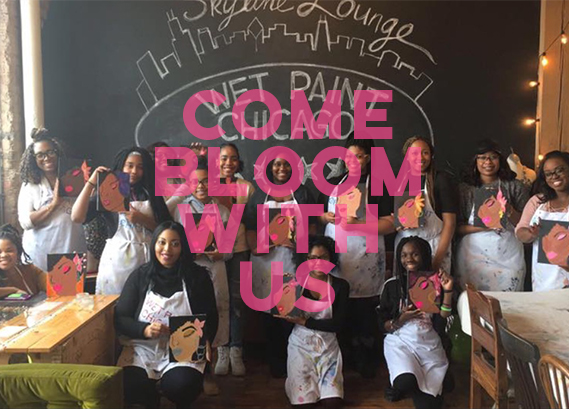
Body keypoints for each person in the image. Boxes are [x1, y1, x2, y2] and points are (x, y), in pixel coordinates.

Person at [115, 221, 218, 409]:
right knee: (129, 384)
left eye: (175, 244)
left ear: (183, 247)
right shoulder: (139, 276)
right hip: (143, 348)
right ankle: (150, 400)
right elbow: (121, 318)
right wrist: (144, 329)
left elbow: (211, 316)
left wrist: (207, 340)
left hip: (185, 347)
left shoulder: (198, 277)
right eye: (161, 242)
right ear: (154, 244)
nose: (167, 249)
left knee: (182, 385)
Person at [318, 135, 394, 378]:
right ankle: (343, 356)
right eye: (349, 155)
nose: (353, 160)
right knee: (340, 307)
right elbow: (320, 215)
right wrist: (325, 217)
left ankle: (366, 359)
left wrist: (359, 224)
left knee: (365, 312)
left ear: (368, 158)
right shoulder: (333, 182)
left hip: (366, 256)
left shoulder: (379, 185)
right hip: (339, 255)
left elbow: (391, 224)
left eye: (359, 156)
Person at [245, 156, 317, 378]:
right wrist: (259, 246)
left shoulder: (303, 193)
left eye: (286, 164)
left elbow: (314, 226)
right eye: (277, 164)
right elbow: (249, 227)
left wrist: (301, 242)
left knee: (290, 311)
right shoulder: (259, 195)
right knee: (269, 314)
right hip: (266, 261)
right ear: (270, 168)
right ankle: (275, 362)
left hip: (293, 260)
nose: (282, 168)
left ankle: (293, 359)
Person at [71, 147, 171, 295]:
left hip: (148, 260)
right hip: (117, 263)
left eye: (140, 167)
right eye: (129, 165)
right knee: (115, 301)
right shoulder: (109, 193)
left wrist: (142, 219)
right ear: (121, 166)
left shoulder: (152, 194)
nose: (134, 171)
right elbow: (76, 217)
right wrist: (91, 183)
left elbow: (167, 230)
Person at [377, 236, 453, 409]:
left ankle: (432, 384)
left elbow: (441, 322)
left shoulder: (435, 283)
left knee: (429, 405)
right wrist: (401, 319)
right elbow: (382, 324)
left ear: (424, 256)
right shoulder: (392, 285)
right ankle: (403, 382)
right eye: (404, 255)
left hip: (428, 343)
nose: (409, 259)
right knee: (405, 381)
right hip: (400, 342)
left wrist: (447, 291)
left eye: (415, 254)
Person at [173, 156, 231, 355]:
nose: (201, 186)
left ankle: (219, 352)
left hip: (216, 267)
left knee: (218, 308)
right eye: (195, 182)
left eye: (206, 181)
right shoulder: (180, 211)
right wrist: (188, 253)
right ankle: (191, 356)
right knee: (191, 309)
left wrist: (220, 254)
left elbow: (229, 250)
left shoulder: (223, 212)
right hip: (190, 268)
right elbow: (174, 242)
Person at [283, 236, 349, 408]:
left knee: (333, 403)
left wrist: (305, 322)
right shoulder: (295, 284)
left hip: (328, 347)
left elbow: (338, 324)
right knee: (304, 404)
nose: (318, 263)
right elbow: (283, 319)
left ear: (331, 258)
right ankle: (293, 381)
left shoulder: (340, 286)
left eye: (323, 257)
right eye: (312, 258)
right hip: (300, 345)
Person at [455, 139, 529, 291]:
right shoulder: (465, 189)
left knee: (510, 299)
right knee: (475, 299)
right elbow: (457, 228)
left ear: (500, 160)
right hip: (473, 256)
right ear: (475, 161)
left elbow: (525, 225)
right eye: (482, 157)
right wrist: (484, 227)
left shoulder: (515, 186)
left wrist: (508, 210)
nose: (488, 162)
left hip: (508, 256)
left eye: (493, 157)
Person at [18, 128, 87, 270]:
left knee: (71, 285)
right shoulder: (30, 185)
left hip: (72, 251)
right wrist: (53, 205)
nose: (46, 158)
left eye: (50, 152)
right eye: (40, 155)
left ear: (58, 152)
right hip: (39, 254)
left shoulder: (74, 178)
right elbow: (25, 222)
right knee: (42, 285)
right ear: (34, 159)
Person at [214, 143, 255, 376]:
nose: (228, 163)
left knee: (238, 300)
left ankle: (236, 350)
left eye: (233, 158)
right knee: (219, 300)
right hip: (214, 253)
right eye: (223, 158)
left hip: (240, 250)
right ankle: (222, 348)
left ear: (239, 162)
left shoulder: (246, 188)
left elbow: (251, 220)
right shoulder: (207, 184)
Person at [395, 136, 457, 273]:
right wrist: (398, 223)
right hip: (405, 250)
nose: (420, 157)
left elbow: (450, 223)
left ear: (431, 155)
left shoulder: (440, 180)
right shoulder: (399, 181)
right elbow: (393, 219)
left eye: (425, 152)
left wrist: (436, 261)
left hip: (434, 246)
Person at [516, 150, 569, 291]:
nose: (554, 176)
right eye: (548, 174)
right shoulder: (537, 201)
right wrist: (531, 234)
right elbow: (520, 233)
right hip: (545, 277)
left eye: (559, 170)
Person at [0, 224, 46, 299]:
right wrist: (13, 290)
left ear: (18, 253)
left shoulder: (30, 270)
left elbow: (53, 285)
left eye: (9, 251)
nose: (4, 255)